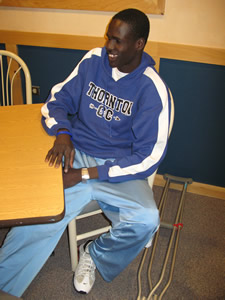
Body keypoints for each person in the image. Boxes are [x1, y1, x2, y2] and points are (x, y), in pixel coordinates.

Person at [0, 8, 171, 296]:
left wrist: (86, 174)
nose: (109, 47)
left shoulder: (152, 89)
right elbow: (57, 100)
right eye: (109, 38)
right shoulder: (94, 60)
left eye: (118, 41)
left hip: (118, 167)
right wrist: (64, 134)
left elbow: (148, 157)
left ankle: (94, 252)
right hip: (76, 152)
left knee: (146, 221)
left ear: (139, 44)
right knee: (38, 218)